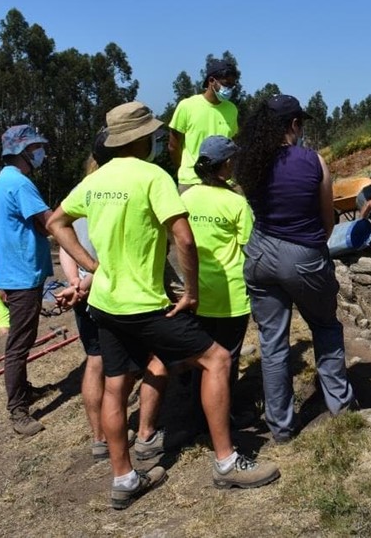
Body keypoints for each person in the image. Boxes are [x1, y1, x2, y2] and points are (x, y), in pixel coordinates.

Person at [49, 101, 278, 511]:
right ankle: (226, 462)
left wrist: (92, 268)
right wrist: (190, 292)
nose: (158, 140)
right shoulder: (154, 176)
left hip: (104, 303)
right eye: (154, 135)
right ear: (141, 139)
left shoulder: (96, 180)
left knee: (117, 387)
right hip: (144, 303)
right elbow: (184, 239)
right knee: (218, 359)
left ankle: (124, 478)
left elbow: (56, 223)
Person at [234, 94, 356, 444]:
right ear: (293, 125)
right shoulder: (313, 161)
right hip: (303, 254)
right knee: (325, 326)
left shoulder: (248, 163)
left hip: (259, 254)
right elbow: (327, 219)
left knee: (272, 343)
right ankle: (340, 405)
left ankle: (282, 427)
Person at [55, 132, 162, 461]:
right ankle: (143, 433)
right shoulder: (118, 192)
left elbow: (63, 241)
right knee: (140, 363)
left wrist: (75, 282)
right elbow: (117, 249)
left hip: (85, 289)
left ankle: (100, 438)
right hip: (111, 290)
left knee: (95, 361)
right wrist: (89, 278)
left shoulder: (80, 192)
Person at [180, 135, 253, 395]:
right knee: (227, 359)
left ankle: (194, 408)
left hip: (194, 293)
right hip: (230, 295)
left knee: (200, 355)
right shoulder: (236, 203)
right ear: (228, 163)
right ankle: (223, 413)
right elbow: (249, 247)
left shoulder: (185, 199)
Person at [0, 126, 53, 436]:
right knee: (19, 343)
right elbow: (47, 223)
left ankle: (24, 390)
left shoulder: (5, 179)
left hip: (15, 271)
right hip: (22, 273)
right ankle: (18, 409)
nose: (41, 152)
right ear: (24, 151)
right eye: (37, 147)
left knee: (23, 337)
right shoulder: (20, 182)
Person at [168, 58, 241, 192]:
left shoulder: (232, 109)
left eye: (232, 85)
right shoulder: (187, 106)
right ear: (211, 81)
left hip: (223, 180)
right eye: (226, 84)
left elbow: (232, 144)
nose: (229, 89)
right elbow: (173, 146)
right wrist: (184, 169)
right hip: (192, 181)